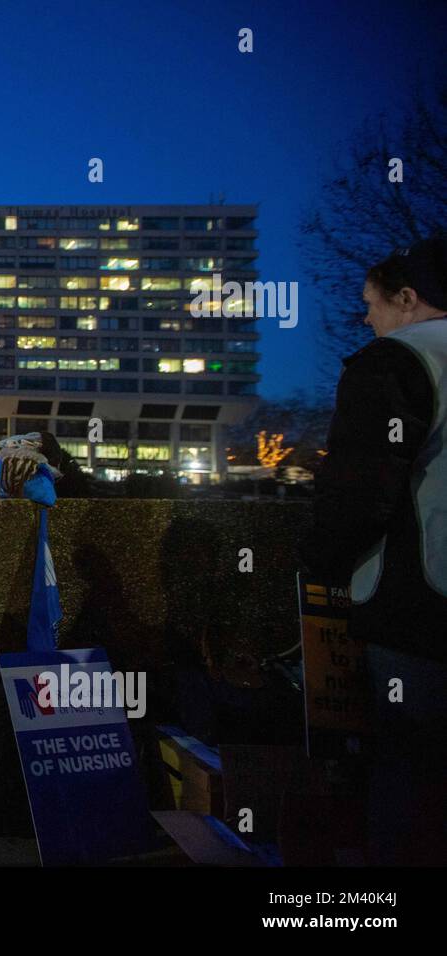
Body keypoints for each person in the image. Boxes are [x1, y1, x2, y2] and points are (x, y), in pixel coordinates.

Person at [301, 234, 447, 865]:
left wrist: (320, 563)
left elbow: (359, 493)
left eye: (372, 303)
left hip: (421, 608)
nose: (365, 318)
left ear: (407, 298)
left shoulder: (395, 362)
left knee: (410, 782)